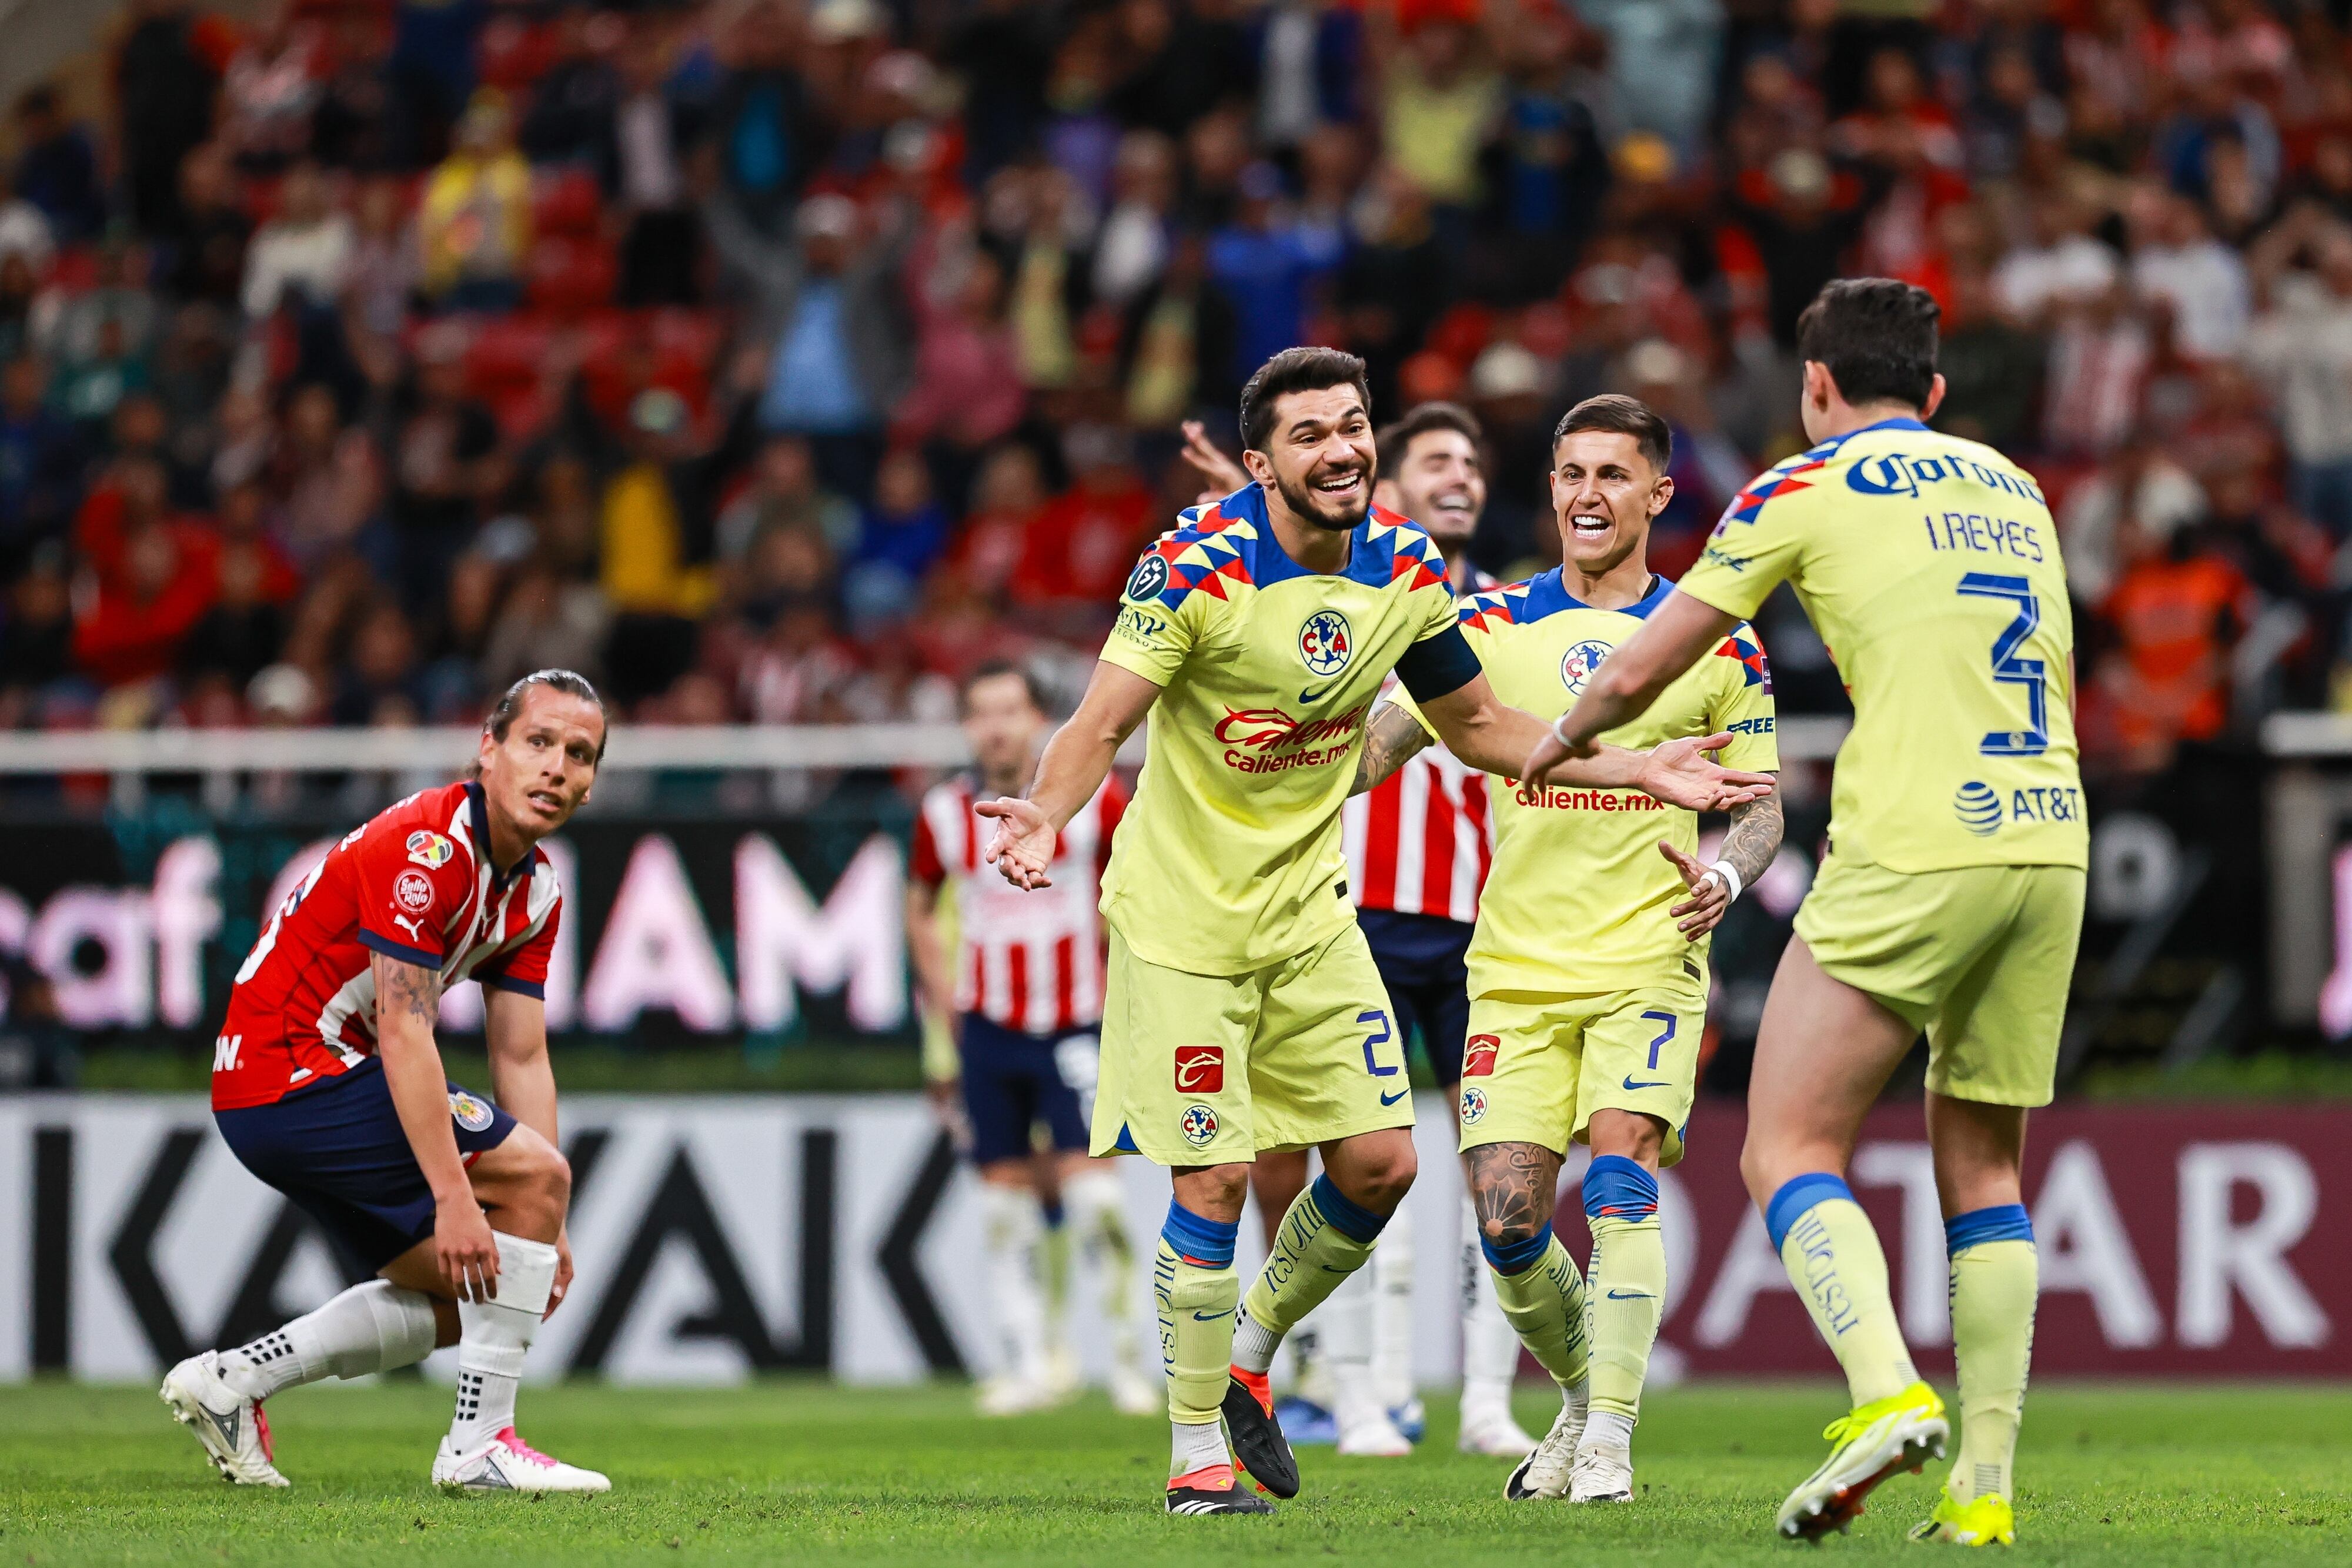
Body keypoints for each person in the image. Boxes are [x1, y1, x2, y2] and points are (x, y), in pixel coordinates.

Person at [978, 346, 1773, 1516]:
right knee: (1211, 1180)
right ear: (1258, 463)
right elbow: (1098, 723)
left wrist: (1634, 763)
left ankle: (1247, 1356)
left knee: (1383, 1164)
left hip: (1309, 915)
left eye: (1353, 426)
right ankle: (1196, 1450)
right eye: (1311, 434)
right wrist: (1046, 814)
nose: (1344, 448)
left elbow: (1483, 723)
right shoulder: (1193, 569)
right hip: (1181, 921)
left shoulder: (1404, 567)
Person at [1526, 280, 2083, 1547]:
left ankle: (1885, 1390)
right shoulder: (2015, 486)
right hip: (2048, 834)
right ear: (1935, 394)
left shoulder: (1799, 483)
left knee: (1785, 1144)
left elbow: (1637, 662)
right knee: (1985, 1167)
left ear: (1815, 387)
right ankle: (1983, 1493)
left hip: (1913, 836)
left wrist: (1551, 745)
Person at [1353, 393, 1783, 1503]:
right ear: (1550, 490)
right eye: (1571, 475)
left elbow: (1764, 807)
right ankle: (1584, 1398)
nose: (1588, 496)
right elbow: (1371, 755)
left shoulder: (1715, 637)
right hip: (1513, 970)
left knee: (1624, 1181)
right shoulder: (1485, 625)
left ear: (1657, 493)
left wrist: (1728, 874)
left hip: (1648, 953)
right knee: (1507, 1226)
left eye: (1612, 476)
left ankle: (1609, 1441)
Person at [162, 671, 612, 1494]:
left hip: (295, 1087)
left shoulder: (537, 891)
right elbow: (407, 1029)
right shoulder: (428, 847)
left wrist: (540, 1231)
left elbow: (522, 1057)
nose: (557, 767)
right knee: (524, 1210)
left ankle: (234, 1381)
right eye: (538, 742)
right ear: (489, 749)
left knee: (500, 1291)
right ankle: (480, 1448)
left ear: (591, 784)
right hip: (291, 1067)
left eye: (579, 755)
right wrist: (460, 1196)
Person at [1183, 400, 1531, 1460]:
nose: (1459, 476)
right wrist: (1245, 507)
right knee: (1354, 1155)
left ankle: (1484, 1401)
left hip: (1486, 925)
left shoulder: (1517, 612)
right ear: (1390, 488)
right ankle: (1362, 1390)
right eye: (1436, 459)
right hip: (1361, 910)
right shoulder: (1363, 594)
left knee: (1504, 1168)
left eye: (1471, 461)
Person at [906, 660, 1155, 1419]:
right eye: (981, 712)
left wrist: (1120, 981)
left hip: (1076, 1020)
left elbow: (1132, 883)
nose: (996, 726)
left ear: (1037, 720)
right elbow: (919, 905)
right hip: (985, 1028)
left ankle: (1126, 1365)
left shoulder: (1091, 798)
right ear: (968, 726)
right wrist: (943, 997)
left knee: (1095, 1204)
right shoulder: (944, 812)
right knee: (1002, 1209)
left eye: (1009, 710)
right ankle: (1031, 1363)